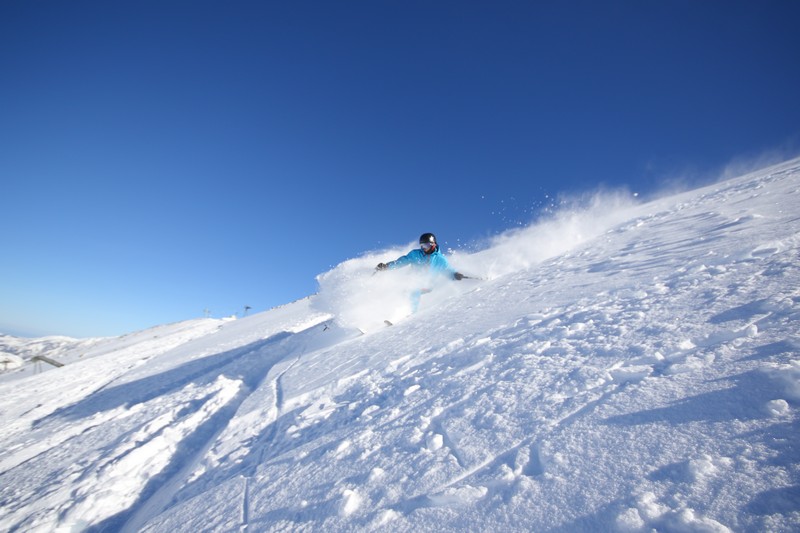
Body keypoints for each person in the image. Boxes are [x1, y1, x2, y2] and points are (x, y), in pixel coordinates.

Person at [376, 233, 464, 311]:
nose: (424, 248)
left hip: (427, 284)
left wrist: (455, 274)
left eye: (426, 245)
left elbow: (447, 270)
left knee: (414, 289)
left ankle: (411, 314)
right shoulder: (415, 254)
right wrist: (387, 266)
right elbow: (401, 262)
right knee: (399, 289)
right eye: (422, 246)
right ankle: (391, 312)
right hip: (411, 279)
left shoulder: (440, 259)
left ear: (433, 244)